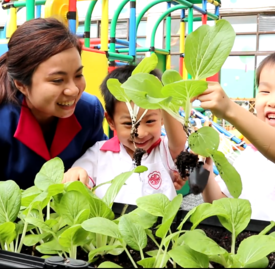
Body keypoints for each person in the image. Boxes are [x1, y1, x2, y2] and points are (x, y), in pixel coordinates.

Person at [0, 17, 107, 221]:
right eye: (58, 80)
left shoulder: (89, 111)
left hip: (70, 224)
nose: (73, 90)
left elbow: (103, 162)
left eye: (78, 75)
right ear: (21, 85)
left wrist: (85, 170)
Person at [197, 48, 275, 223]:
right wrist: (203, 171)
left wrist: (230, 110)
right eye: (265, 91)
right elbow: (220, 204)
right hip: (249, 248)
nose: (273, 101)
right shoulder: (251, 155)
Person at [66, 65, 187, 205]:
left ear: (162, 119)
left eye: (150, 121)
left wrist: (163, 99)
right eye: (129, 124)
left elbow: (179, 143)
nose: (140, 133)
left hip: (161, 226)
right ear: (111, 121)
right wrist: (76, 172)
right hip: (112, 225)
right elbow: (80, 173)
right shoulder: (99, 153)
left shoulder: (164, 150)